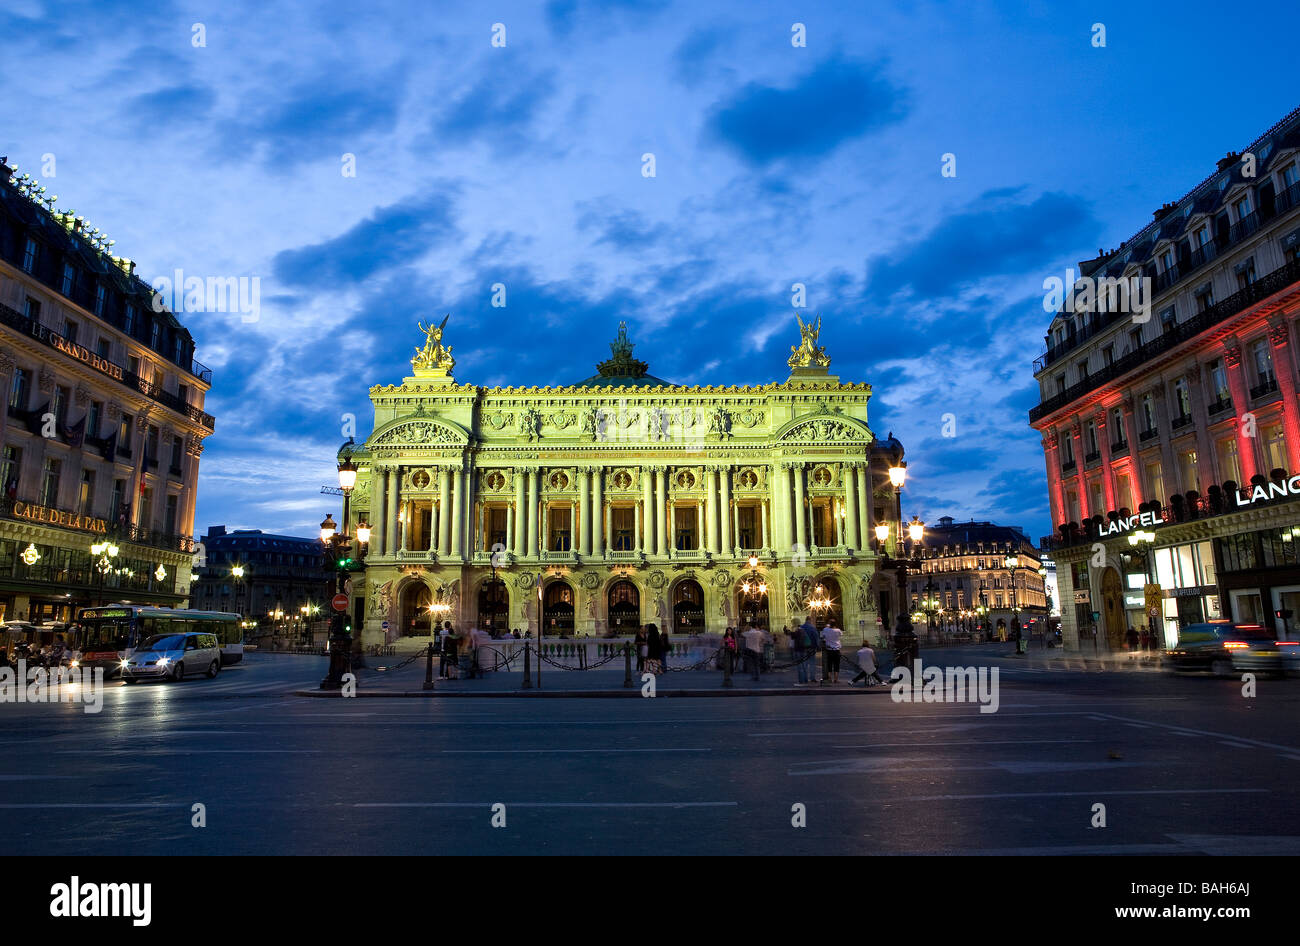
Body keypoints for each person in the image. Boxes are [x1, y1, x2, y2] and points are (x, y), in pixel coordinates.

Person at [796, 614, 821, 685]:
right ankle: (812, 678)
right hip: (812, 648)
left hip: (803, 648)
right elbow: (816, 638)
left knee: (804, 664)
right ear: (810, 620)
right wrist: (818, 646)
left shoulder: (801, 627)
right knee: (812, 663)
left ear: (805, 620)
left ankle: (805, 678)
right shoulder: (813, 628)